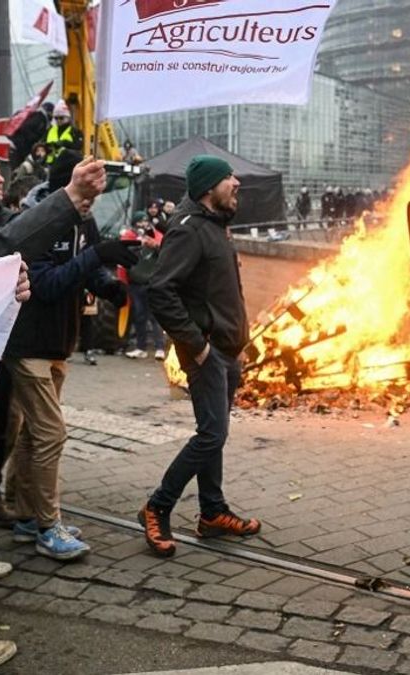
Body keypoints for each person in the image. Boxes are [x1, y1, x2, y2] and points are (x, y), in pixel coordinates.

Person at [2, 150, 134, 562]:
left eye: (97, 193)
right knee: (52, 433)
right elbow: (46, 284)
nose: (92, 201)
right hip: (28, 344)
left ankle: (24, 514)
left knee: (32, 433)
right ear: (67, 184)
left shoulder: (85, 218)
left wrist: (109, 283)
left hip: (61, 341)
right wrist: (96, 257)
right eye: (86, 191)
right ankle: (47, 526)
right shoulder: (36, 221)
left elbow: (86, 266)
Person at [139, 155, 259, 558]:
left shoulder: (216, 227)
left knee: (214, 435)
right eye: (228, 178)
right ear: (209, 188)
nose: (236, 183)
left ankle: (212, 513)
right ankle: (157, 506)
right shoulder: (189, 231)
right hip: (208, 354)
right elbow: (160, 290)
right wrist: (197, 345)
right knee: (211, 434)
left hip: (227, 351)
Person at [123, 211, 167, 361]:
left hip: (152, 283)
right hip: (135, 283)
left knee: (155, 317)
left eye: (144, 222)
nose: (142, 226)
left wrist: (154, 245)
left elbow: (166, 253)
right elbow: (123, 251)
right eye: (139, 223)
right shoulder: (130, 236)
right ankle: (141, 348)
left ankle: (160, 348)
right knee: (139, 316)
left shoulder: (157, 237)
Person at [44, 99, 83, 166]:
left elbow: (78, 146)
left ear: (67, 117)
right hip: (51, 165)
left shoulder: (74, 131)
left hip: (68, 165)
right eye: (56, 118)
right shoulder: (50, 130)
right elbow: (42, 144)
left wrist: (64, 143)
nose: (58, 120)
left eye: (61, 118)